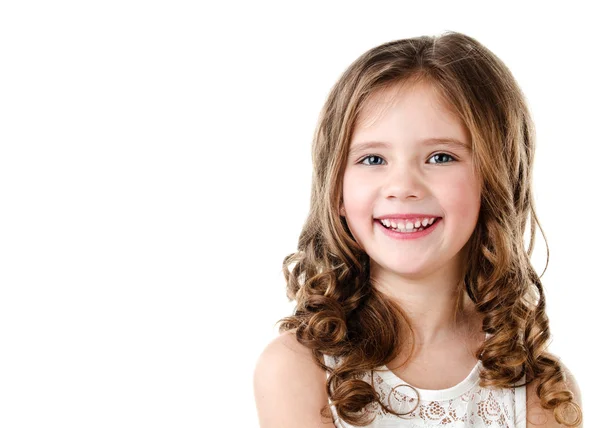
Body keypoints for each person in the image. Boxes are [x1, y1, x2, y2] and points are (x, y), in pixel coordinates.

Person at [253, 31, 583, 427]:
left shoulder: (539, 389)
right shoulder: (298, 369)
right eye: (373, 159)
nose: (404, 187)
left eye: (440, 157)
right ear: (337, 190)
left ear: (497, 180)